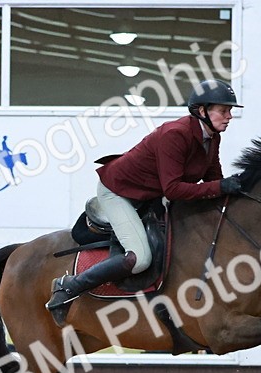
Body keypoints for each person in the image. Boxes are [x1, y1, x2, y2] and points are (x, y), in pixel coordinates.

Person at [46, 79, 246, 322]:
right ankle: (69, 286)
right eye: (224, 111)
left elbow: (213, 179)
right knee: (140, 258)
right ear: (202, 111)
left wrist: (237, 190)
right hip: (118, 192)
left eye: (230, 111)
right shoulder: (175, 134)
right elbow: (173, 189)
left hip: (150, 194)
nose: (229, 116)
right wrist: (220, 187)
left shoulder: (212, 137)